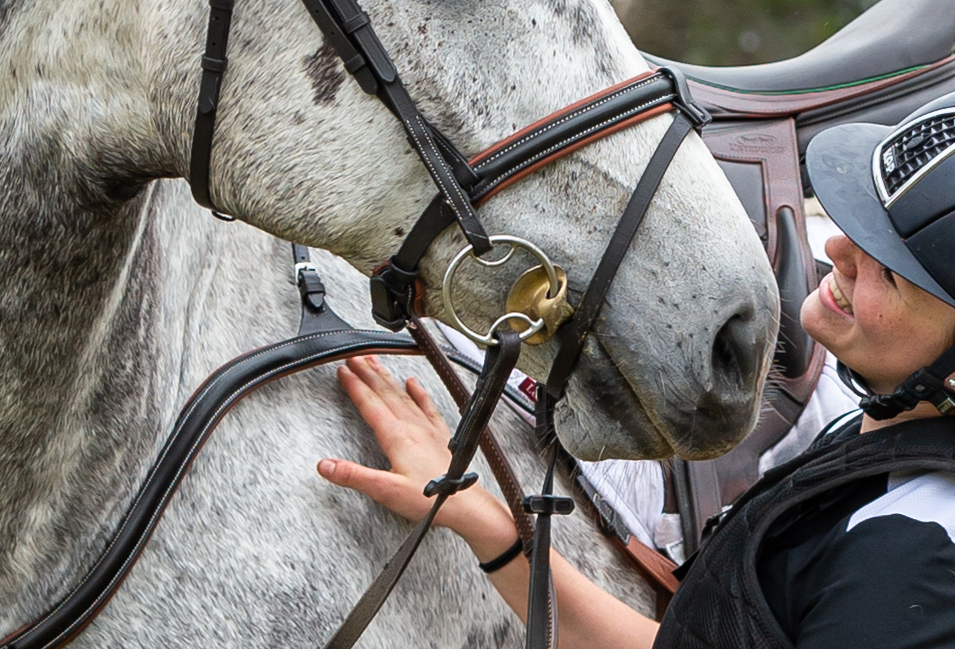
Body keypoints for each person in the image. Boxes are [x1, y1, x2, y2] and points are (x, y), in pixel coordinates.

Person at [317, 92, 955, 648]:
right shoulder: (880, 444)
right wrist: (480, 518)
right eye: (858, 228)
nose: (836, 248)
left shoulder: (913, 557)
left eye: (889, 271)